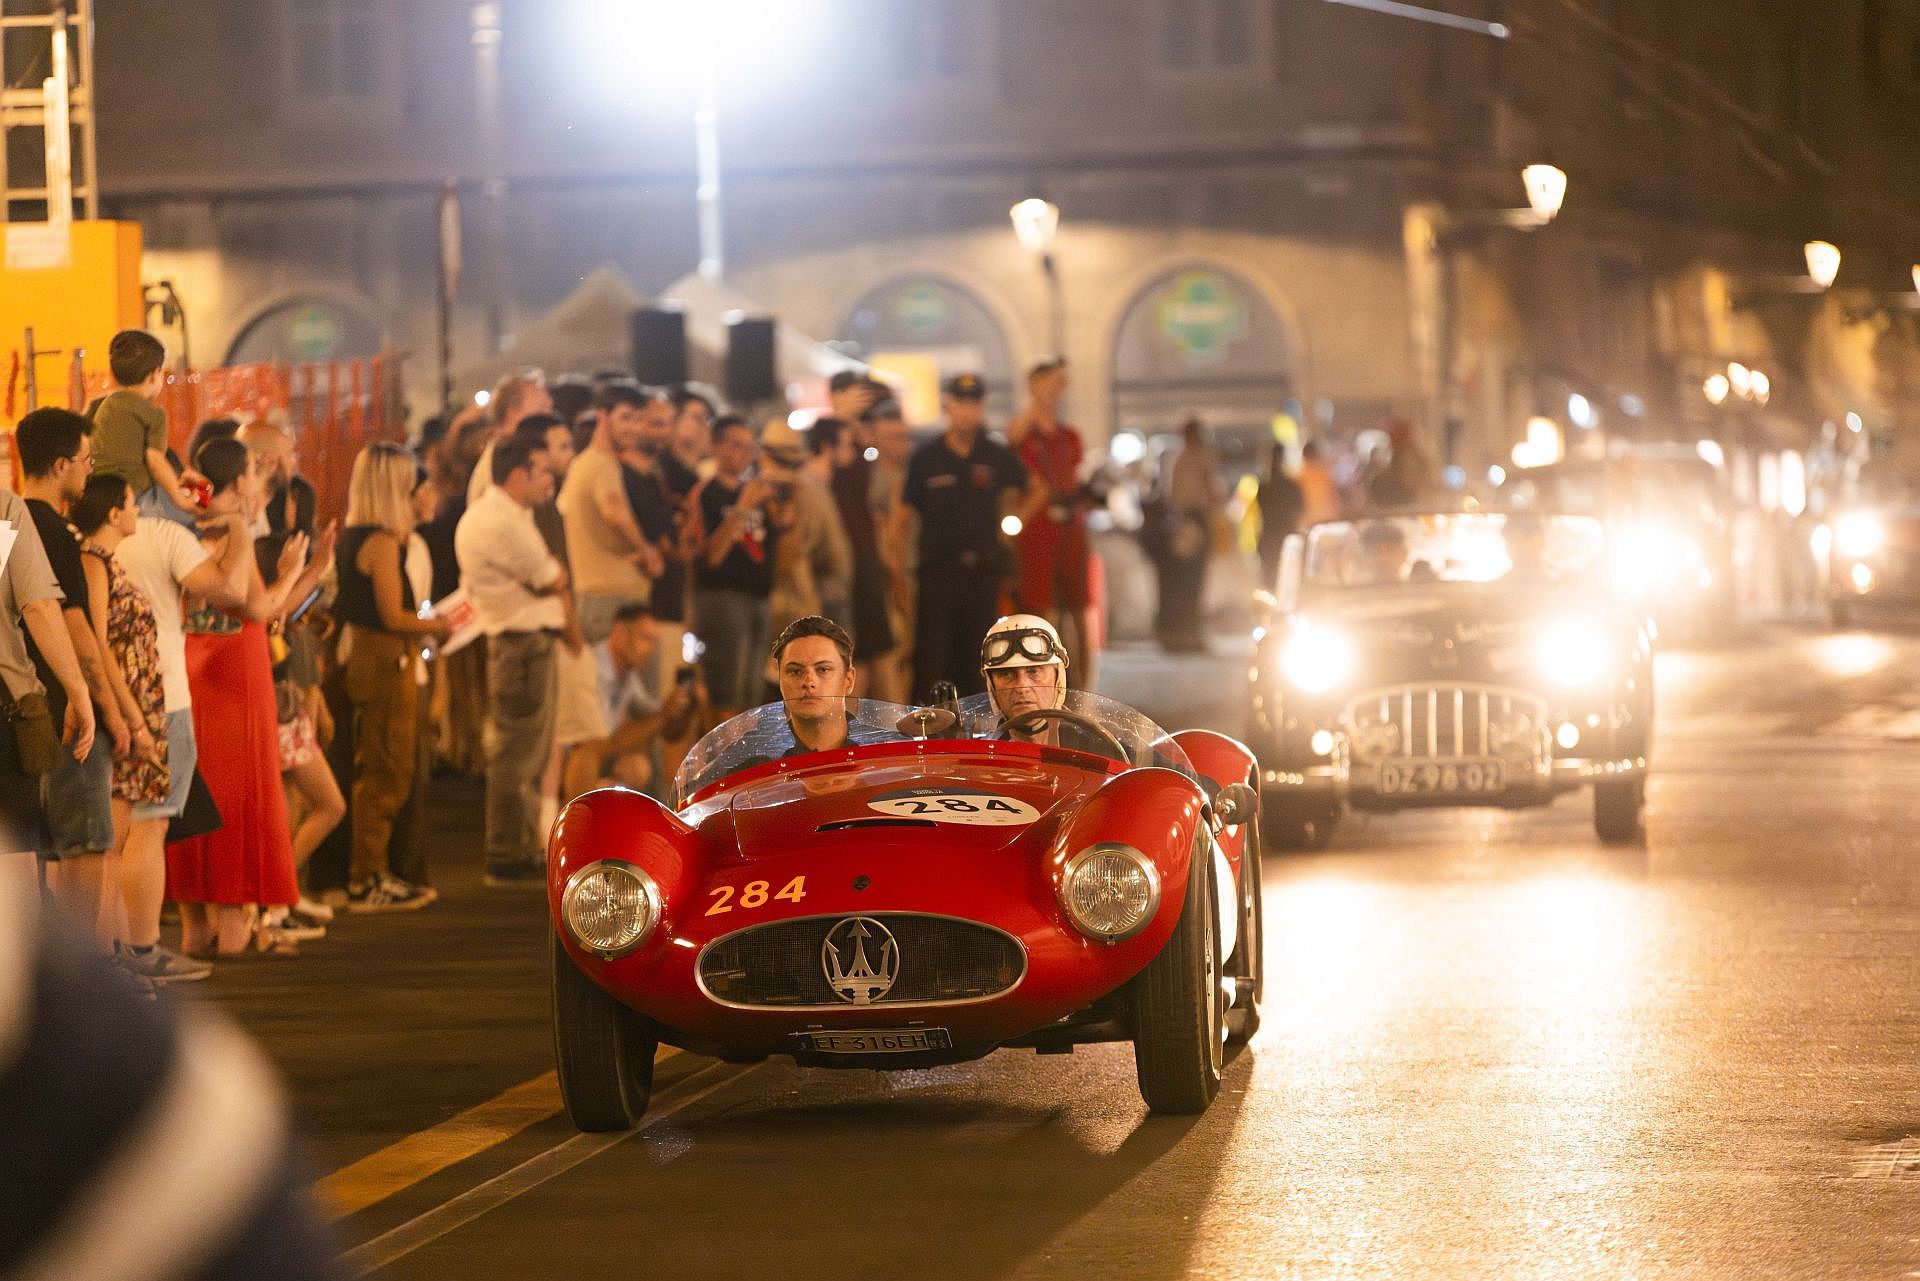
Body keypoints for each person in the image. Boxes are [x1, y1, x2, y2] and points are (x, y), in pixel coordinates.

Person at [166, 438, 331, 959]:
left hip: (199, 678)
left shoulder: (188, 531)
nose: (261, 486)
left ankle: (201, 932)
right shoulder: (231, 533)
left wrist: (301, 576)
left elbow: (262, 610)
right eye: (257, 476)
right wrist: (300, 572)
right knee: (236, 803)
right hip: (236, 685)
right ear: (239, 485)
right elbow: (257, 607)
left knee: (199, 798)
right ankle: (238, 935)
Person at [102, 455, 253, 982]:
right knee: (148, 824)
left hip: (96, 696)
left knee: (106, 835)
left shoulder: (78, 534)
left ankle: (112, 953)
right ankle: (140, 950)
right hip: (158, 696)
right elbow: (233, 592)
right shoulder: (161, 533)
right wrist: (239, 525)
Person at [14, 409, 127, 927]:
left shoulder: (5, 522)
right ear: (61, 465)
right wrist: (104, 705)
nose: (89, 470)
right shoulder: (51, 531)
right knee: (84, 843)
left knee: (32, 851)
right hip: (61, 707)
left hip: (21, 707)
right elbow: (73, 628)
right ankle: (82, 984)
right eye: (85, 459)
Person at [335, 443, 452, 912]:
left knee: (383, 763)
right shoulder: (381, 542)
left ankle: (372, 872)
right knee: (387, 767)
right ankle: (367, 877)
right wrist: (439, 624)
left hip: (372, 658)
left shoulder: (354, 535)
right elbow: (392, 614)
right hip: (385, 661)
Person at [455, 432, 570, 888]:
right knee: (517, 754)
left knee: (526, 751)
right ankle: (506, 852)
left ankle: (515, 847)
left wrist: (550, 579)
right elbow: (550, 575)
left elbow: (550, 578)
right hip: (520, 645)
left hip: (524, 644)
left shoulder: (507, 515)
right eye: (542, 469)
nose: (549, 478)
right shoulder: (499, 520)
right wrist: (552, 578)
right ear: (518, 472)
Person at [894, 372, 1035, 700]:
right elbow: (901, 518)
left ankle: (978, 739)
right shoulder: (926, 457)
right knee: (931, 662)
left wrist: (1012, 525)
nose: (967, 411)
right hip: (937, 575)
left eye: (974, 404)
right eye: (961, 403)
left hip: (982, 575)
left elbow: (1036, 487)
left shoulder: (993, 454)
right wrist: (898, 575)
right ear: (948, 405)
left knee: (979, 660)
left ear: (982, 407)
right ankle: (930, 738)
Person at [1008, 357, 1099, 687]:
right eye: (1047, 384)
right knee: (1039, 609)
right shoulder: (1024, 433)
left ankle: (1084, 692)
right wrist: (1038, 394)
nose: (1054, 392)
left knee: (1079, 611)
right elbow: (1014, 435)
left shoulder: (1069, 436)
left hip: (1070, 528)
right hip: (1037, 530)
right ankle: (1043, 683)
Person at [563, 603, 702, 798]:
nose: (650, 649)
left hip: (597, 754)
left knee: (637, 766)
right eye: (645, 638)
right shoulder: (593, 667)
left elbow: (652, 713)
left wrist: (683, 706)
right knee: (588, 753)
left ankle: (603, 803)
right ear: (619, 634)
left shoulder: (628, 673)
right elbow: (597, 740)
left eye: (654, 642)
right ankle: (580, 812)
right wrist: (663, 715)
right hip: (567, 759)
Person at [691, 415, 779, 717]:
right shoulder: (707, 493)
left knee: (751, 695)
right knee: (726, 692)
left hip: (759, 597)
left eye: (749, 446)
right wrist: (742, 507)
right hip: (722, 597)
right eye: (735, 445)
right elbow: (711, 556)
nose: (743, 453)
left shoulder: (761, 495)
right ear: (716, 448)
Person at [559, 381, 658, 645]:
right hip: (612, 601)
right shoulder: (602, 465)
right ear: (602, 416)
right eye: (625, 417)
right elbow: (613, 512)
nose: (634, 428)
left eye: (638, 419)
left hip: (597, 596)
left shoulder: (582, 464)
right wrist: (647, 552)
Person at [762, 418, 853, 675]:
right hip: (806, 597)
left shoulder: (758, 489)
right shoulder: (813, 488)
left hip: (769, 601)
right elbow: (834, 554)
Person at [88, 329, 197, 522]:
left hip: (101, 496)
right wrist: (180, 500)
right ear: (154, 375)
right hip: (138, 498)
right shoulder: (153, 414)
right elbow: (156, 461)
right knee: (191, 522)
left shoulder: (103, 407)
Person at [1155, 415, 1224, 653]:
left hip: (1183, 521)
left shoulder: (1179, 459)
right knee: (1193, 582)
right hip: (1195, 521)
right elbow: (1212, 491)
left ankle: (1180, 634)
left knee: (1184, 581)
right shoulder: (1198, 459)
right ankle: (1189, 634)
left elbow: (1172, 495)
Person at [769, 615, 877, 756]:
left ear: (849, 680)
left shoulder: (887, 753)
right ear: (779, 679)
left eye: (823, 669)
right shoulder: (754, 761)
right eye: (795, 671)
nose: (808, 683)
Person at [466, 369, 554, 507]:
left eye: (549, 409)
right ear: (512, 413)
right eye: (541, 409)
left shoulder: (517, 459)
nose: (550, 418)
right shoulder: (496, 470)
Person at [1256, 442, 1306, 587]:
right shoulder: (1291, 486)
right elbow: (1300, 509)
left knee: (1270, 582)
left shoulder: (1263, 486)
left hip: (1269, 538)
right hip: (1286, 538)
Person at [1354, 519, 1411, 585]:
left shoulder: (1417, 592)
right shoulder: (1354, 593)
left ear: (1404, 554)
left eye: (1391, 550)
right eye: (1375, 551)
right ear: (1364, 557)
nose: (1384, 558)